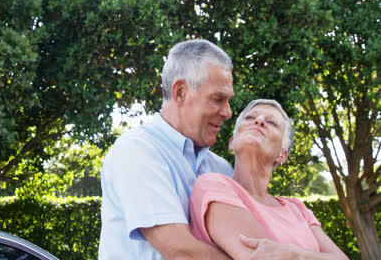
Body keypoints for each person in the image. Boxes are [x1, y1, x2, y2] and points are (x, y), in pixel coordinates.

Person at [98, 39, 235, 259]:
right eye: (218, 99)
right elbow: (181, 251)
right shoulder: (137, 151)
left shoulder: (221, 168)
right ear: (180, 92)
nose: (228, 112)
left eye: (228, 101)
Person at [190, 99, 349, 260]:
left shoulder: (298, 209)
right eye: (250, 118)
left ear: (282, 155)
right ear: (232, 142)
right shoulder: (213, 185)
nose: (259, 121)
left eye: (272, 123)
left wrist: (294, 254)